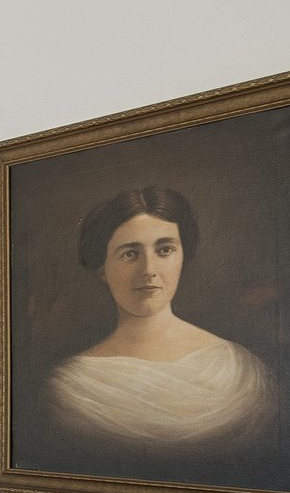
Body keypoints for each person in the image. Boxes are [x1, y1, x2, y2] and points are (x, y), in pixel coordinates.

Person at [47, 186, 273, 453]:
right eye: (130, 254)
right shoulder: (71, 387)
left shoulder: (238, 370)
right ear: (102, 269)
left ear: (182, 256)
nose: (149, 270)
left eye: (164, 250)